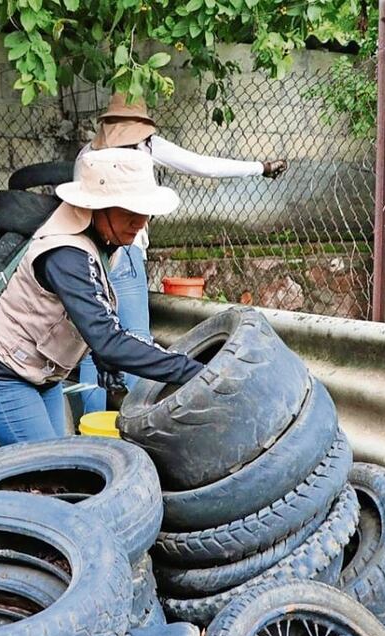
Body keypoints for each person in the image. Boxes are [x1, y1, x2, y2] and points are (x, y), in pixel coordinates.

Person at [0, 148, 205, 446]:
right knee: (48, 472)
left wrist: (106, 362)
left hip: (42, 373)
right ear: (96, 206)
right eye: (130, 212)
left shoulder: (100, 237)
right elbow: (108, 338)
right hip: (2, 373)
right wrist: (195, 372)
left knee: (61, 466)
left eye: (145, 212)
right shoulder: (66, 255)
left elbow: (93, 312)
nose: (140, 223)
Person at [75, 92, 288, 413]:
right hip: (126, 254)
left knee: (94, 344)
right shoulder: (144, 150)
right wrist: (260, 167)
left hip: (89, 255)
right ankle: (140, 421)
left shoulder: (86, 155)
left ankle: (89, 426)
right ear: (141, 127)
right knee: (135, 340)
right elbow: (203, 166)